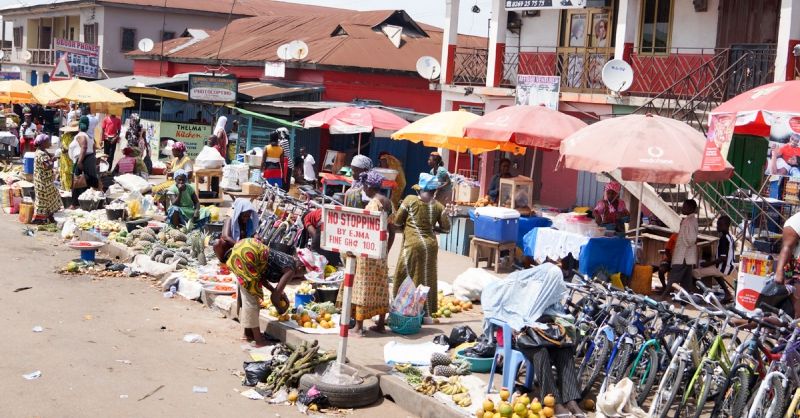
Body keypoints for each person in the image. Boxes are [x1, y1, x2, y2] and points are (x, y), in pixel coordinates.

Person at [337, 171, 395, 336]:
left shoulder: (372, 205)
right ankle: (381, 324)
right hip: (380, 251)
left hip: (367, 251)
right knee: (381, 286)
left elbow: (366, 232)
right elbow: (393, 231)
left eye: (364, 187)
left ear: (369, 186)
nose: (363, 190)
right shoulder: (388, 202)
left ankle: (359, 327)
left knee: (362, 286)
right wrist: (386, 251)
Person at [393, 173, 451, 321]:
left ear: (420, 188)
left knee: (405, 275)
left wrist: (406, 226)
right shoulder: (438, 206)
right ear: (434, 191)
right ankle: (425, 314)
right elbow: (446, 229)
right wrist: (433, 228)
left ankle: (400, 308)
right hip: (430, 246)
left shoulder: (409, 200)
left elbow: (397, 223)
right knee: (427, 278)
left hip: (412, 245)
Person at [226, 238, 298, 346]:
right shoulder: (291, 269)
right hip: (246, 254)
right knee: (252, 301)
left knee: (247, 296)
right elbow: (274, 298)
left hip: (244, 251)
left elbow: (261, 277)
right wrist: (282, 308)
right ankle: (259, 340)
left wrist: (274, 290)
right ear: (301, 267)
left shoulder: (286, 261)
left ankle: (248, 333)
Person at [692, 215, 735, 302]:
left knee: (693, 272)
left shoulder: (723, 239)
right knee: (715, 275)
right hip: (729, 267)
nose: (717, 227)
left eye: (719, 225)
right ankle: (727, 294)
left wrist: (707, 264)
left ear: (726, 226)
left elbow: (723, 258)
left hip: (723, 268)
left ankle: (700, 294)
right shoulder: (729, 237)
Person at [668, 199, 699, 292]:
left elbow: (691, 239)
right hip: (686, 256)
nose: (682, 208)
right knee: (686, 280)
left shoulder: (689, 221)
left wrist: (685, 243)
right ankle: (685, 298)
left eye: (684, 207)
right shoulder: (690, 220)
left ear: (690, 208)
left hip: (683, 256)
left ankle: (664, 296)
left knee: (673, 278)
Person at [214, 198, 258, 262]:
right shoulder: (230, 219)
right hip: (231, 247)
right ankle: (224, 261)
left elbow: (253, 232)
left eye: (248, 216)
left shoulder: (249, 222)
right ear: (239, 213)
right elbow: (225, 236)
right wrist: (240, 245)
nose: (246, 218)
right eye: (244, 216)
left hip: (244, 249)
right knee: (218, 243)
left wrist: (256, 235)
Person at [32, 134, 61, 223]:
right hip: (43, 182)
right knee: (44, 200)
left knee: (48, 198)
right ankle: (39, 219)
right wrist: (53, 160)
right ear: (43, 143)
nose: (50, 143)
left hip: (43, 181)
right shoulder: (41, 154)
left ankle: (48, 216)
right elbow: (47, 166)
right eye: (48, 141)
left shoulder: (41, 151)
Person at [71, 116, 99, 208]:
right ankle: (87, 203)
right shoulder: (90, 137)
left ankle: (74, 204)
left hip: (83, 159)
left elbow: (84, 147)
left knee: (77, 181)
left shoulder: (81, 135)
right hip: (89, 159)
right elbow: (94, 149)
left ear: (79, 126)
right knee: (87, 181)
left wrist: (80, 162)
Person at [59, 120, 79, 191]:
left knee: (71, 174)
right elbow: (62, 145)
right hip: (65, 158)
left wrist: (66, 150)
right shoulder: (65, 135)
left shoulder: (78, 137)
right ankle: (67, 191)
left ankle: (70, 191)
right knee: (66, 173)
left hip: (72, 158)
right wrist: (64, 149)